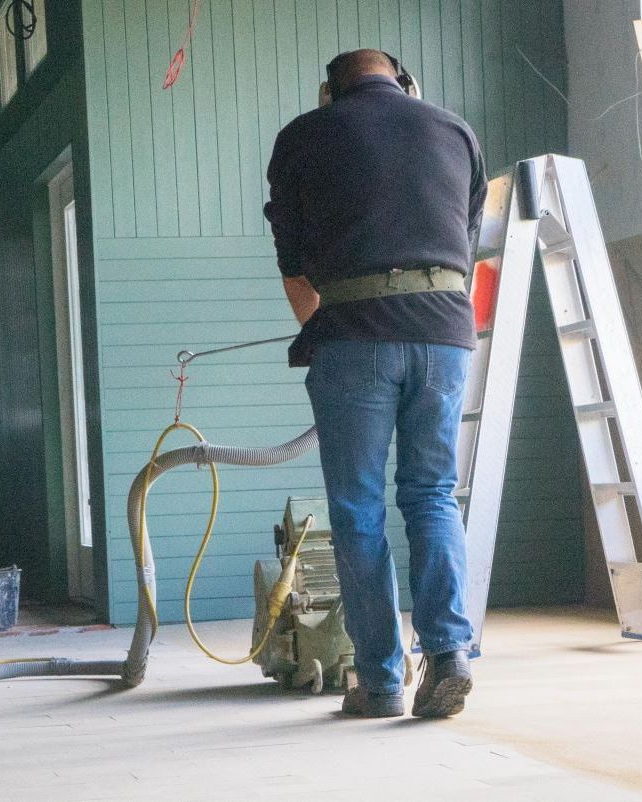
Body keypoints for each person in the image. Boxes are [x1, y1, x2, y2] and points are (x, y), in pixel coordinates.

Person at [264, 48, 487, 718]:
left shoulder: (304, 135)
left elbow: (294, 266)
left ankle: (381, 683)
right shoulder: (456, 131)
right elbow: (465, 246)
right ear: (404, 84)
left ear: (329, 92)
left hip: (355, 336)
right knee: (431, 496)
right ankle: (448, 655)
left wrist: (322, 334)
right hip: (447, 332)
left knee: (358, 512)